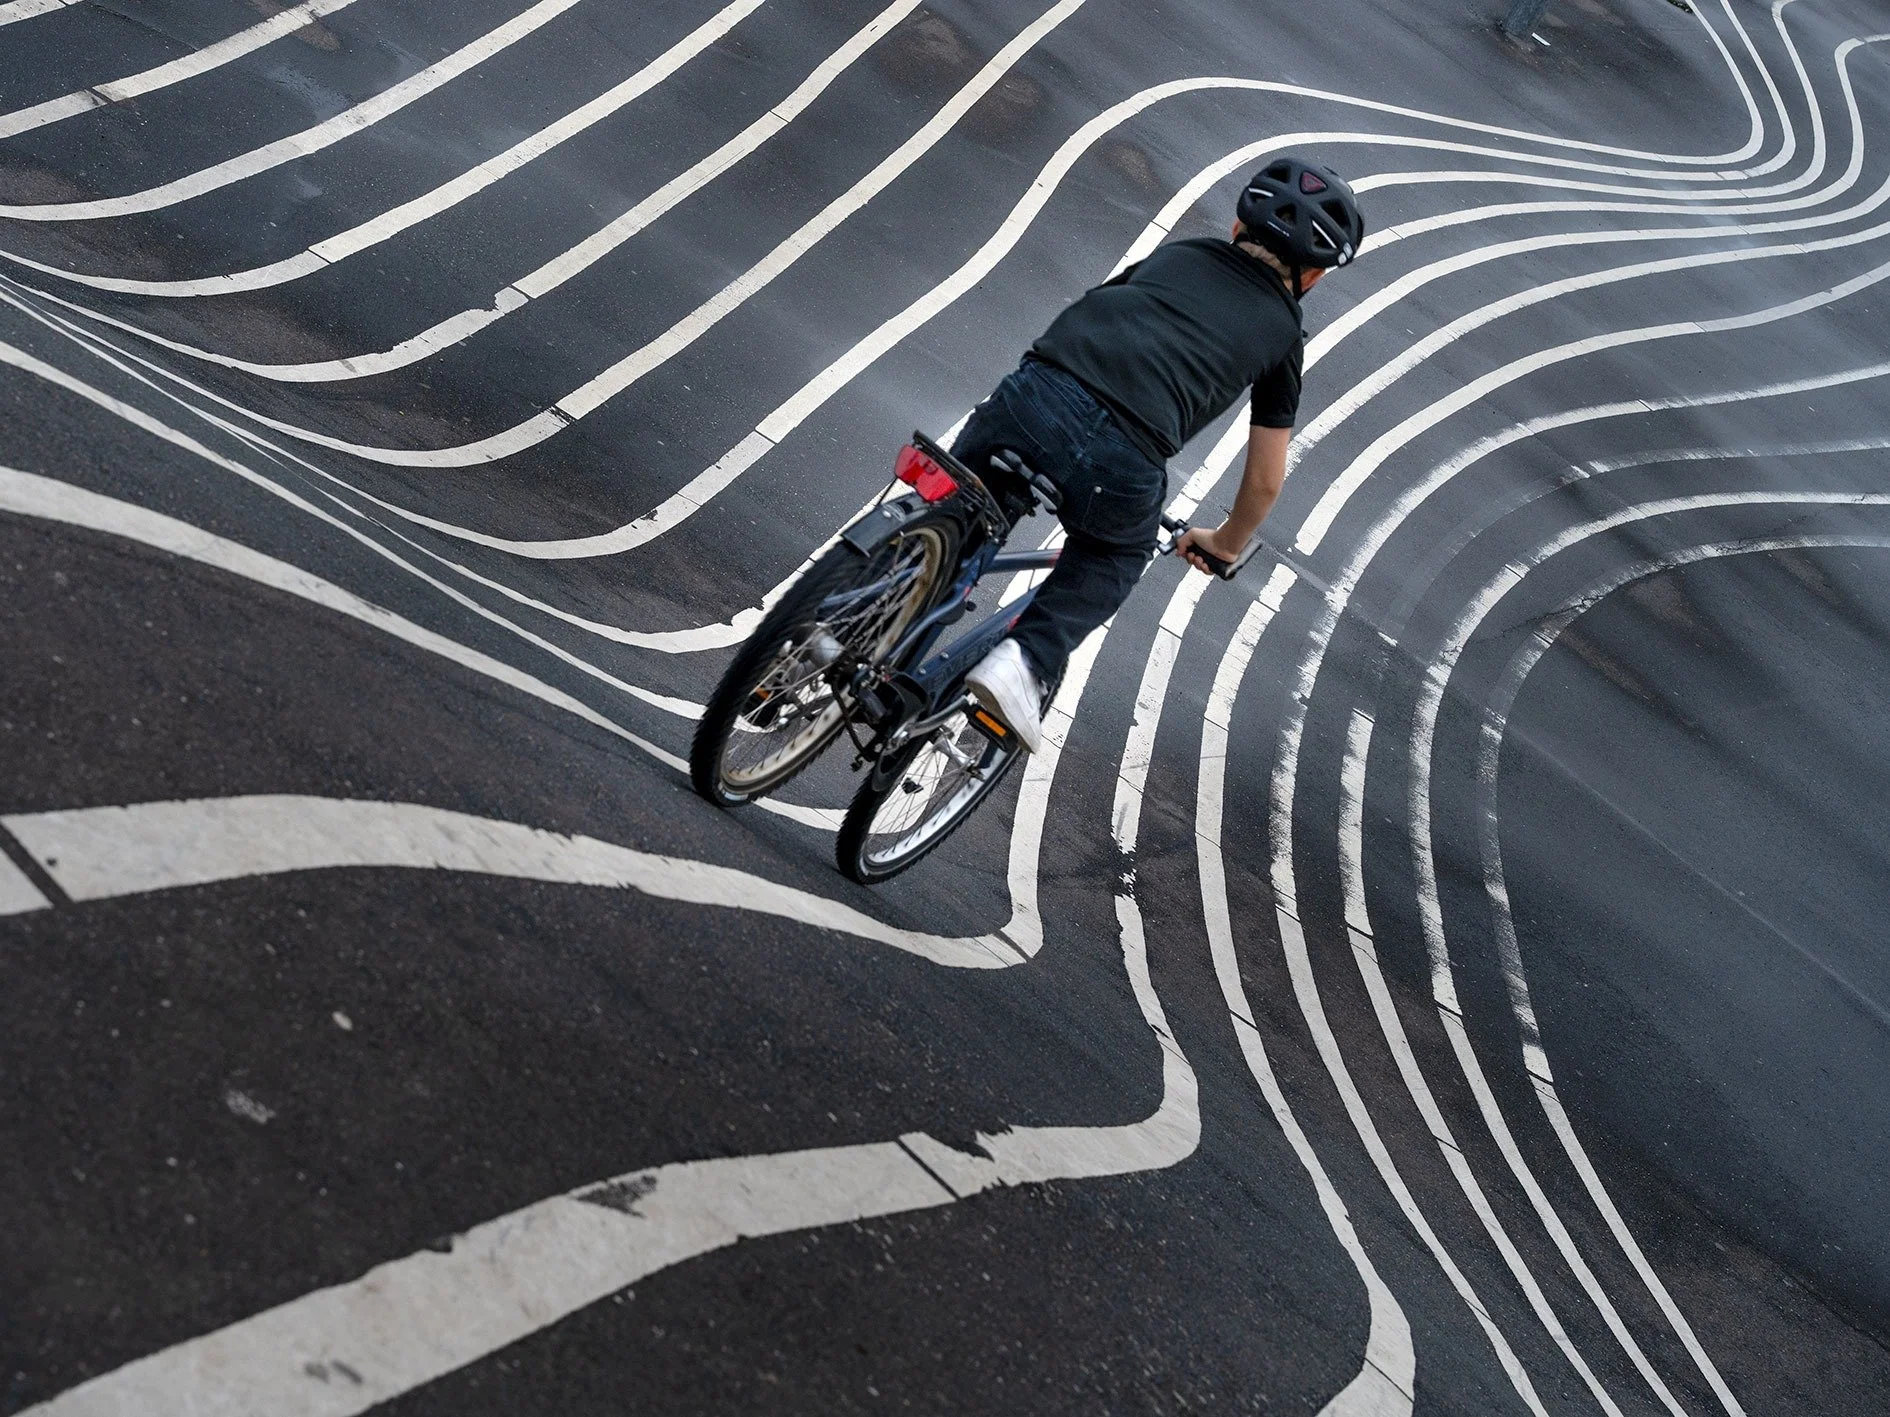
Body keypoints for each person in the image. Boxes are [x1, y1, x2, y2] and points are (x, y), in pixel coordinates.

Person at [955, 155, 1365, 752]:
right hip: (1121, 455)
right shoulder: (1282, 334)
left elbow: (1097, 302)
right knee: (1111, 559)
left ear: (1235, 227)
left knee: (965, 509)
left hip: (1033, 391)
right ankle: (1022, 660)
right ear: (1315, 277)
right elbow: (1265, 481)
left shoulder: (1182, 254)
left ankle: (882, 600)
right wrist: (1224, 543)